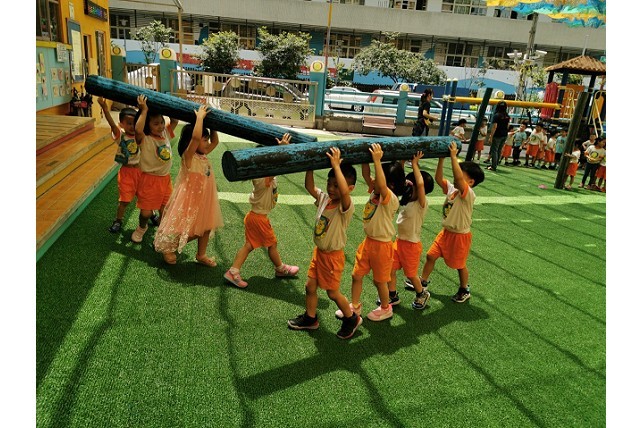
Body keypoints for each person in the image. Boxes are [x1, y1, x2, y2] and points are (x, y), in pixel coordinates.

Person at [287, 148, 362, 339]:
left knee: (332, 293)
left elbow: (343, 193)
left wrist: (336, 166)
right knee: (310, 286)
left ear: (349, 188)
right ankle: (311, 318)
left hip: (332, 257)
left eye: (336, 185)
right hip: (319, 253)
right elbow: (309, 186)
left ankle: (351, 318)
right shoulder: (325, 199)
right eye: (329, 183)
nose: (331, 188)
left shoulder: (345, 207)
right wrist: (310, 165)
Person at [336, 143, 405, 324]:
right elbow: (367, 175)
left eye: (379, 177)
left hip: (382, 246)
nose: (374, 180)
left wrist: (377, 161)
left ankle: (386, 308)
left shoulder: (390, 198)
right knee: (356, 275)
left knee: (380, 281)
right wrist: (365, 157)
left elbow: (380, 183)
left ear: (390, 184)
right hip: (368, 242)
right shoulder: (376, 191)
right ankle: (355, 306)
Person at [223, 133, 299, 288]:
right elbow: (276, 165)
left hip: (255, 216)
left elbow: (274, 167)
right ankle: (280, 268)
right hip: (258, 219)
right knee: (272, 244)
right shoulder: (262, 178)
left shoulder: (265, 175)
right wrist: (281, 151)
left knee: (249, 245)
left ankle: (233, 271)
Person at [415, 141, 485, 303]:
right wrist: (442, 158)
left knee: (459, 265)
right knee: (431, 255)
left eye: (461, 173)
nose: (457, 175)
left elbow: (458, 179)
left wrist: (453, 156)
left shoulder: (468, 193)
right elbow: (439, 179)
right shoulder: (453, 188)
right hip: (446, 233)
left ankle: (464, 288)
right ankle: (423, 281)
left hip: (460, 236)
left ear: (470, 182)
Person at [153, 105, 223, 266]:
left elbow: (216, 141)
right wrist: (199, 118)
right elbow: (196, 139)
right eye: (204, 140)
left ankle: (201, 255)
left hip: (205, 199)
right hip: (190, 200)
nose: (207, 143)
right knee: (190, 229)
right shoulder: (188, 156)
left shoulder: (203, 154)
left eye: (206, 139)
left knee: (206, 227)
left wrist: (213, 126)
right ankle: (169, 247)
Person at [388, 152, 434, 310]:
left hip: (411, 246)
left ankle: (422, 293)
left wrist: (414, 164)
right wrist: (402, 161)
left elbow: (420, 185)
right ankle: (392, 295)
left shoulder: (421, 204)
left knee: (411, 275)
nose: (407, 188)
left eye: (411, 186)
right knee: (390, 269)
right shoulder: (407, 200)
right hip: (399, 242)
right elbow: (401, 181)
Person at [131, 95, 179, 243]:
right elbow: (138, 129)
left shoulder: (164, 133)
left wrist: (168, 105)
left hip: (165, 179)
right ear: (147, 125)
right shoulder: (145, 138)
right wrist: (144, 110)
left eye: (162, 122)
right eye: (156, 124)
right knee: (146, 213)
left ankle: (160, 227)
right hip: (149, 180)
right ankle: (142, 227)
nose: (161, 126)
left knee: (165, 209)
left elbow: (175, 121)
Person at [96, 97, 140, 233]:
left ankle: (151, 214)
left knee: (144, 196)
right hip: (126, 172)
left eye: (135, 123)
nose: (132, 126)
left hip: (141, 171)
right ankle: (118, 220)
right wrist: (105, 109)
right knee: (124, 200)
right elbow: (112, 125)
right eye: (129, 123)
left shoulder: (140, 136)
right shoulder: (120, 135)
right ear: (122, 124)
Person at [486, 101, 510, 171]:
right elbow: (508, 126)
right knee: (499, 150)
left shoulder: (496, 115)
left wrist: (491, 136)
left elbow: (494, 127)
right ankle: (495, 164)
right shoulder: (507, 116)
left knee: (494, 150)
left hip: (497, 134)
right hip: (504, 134)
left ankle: (493, 166)